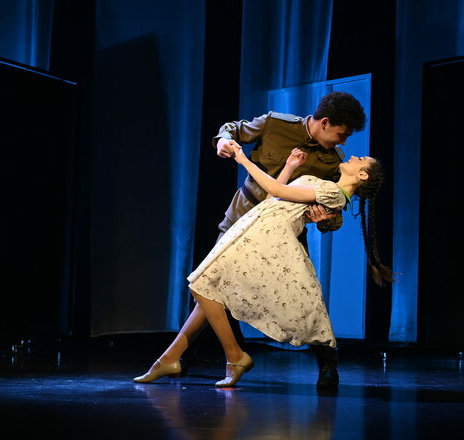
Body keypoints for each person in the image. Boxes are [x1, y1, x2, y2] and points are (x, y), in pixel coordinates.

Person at [135, 92, 367, 388]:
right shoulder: (275, 124)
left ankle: (326, 362)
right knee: (210, 288)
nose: (342, 142)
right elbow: (233, 129)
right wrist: (223, 140)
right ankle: (183, 357)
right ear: (325, 122)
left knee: (305, 298)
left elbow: (332, 210)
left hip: (284, 235)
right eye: (341, 134)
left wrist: (325, 220)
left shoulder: (333, 162)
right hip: (240, 221)